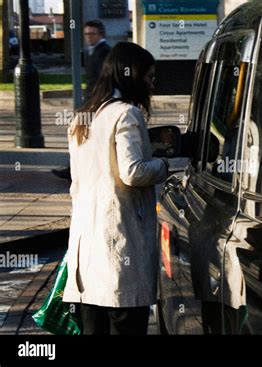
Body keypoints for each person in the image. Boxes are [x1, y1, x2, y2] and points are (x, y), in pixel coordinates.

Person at [63, 42, 169, 335]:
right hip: (120, 246)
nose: (151, 84)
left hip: (87, 249)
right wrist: (163, 165)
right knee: (126, 324)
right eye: (148, 77)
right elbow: (133, 172)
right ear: (131, 75)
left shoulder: (82, 118)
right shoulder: (125, 114)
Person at [52, 20, 111, 180]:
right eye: (86, 34)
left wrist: (92, 103)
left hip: (96, 101)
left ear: (101, 34)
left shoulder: (104, 51)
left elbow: (103, 80)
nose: (89, 37)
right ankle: (76, 169)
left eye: (92, 34)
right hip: (92, 100)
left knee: (82, 134)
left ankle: (74, 170)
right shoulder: (93, 51)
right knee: (84, 134)